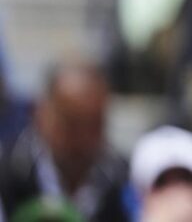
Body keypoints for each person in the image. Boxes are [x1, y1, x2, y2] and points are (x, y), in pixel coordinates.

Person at [0, 61, 129, 222]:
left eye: (94, 125)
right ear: (41, 114)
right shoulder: (8, 173)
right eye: (72, 124)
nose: (84, 139)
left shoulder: (122, 179)